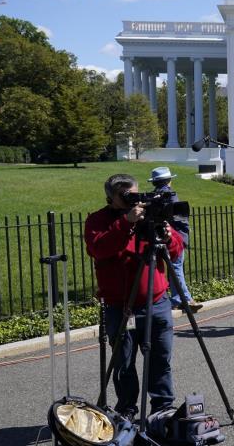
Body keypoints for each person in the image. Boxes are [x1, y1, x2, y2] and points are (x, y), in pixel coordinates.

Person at [84, 174, 183, 419]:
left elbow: (177, 250)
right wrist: (126, 222)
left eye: (134, 193)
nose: (132, 200)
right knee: (124, 364)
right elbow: (98, 248)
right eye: (125, 196)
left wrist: (169, 237)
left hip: (157, 301)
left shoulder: (149, 217)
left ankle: (162, 409)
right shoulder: (98, 220)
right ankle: (127, 409)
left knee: (161, 360)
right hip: (121, 306)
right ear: (111, 197)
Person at [148, 167, 202, 313]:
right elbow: (180, 220)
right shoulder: (170, 195)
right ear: (169, 180)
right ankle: (186, 299)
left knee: (169, 268)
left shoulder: (152, 197)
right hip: (174, 238)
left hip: (158, 236)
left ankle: (178, 298)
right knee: (176, 267)